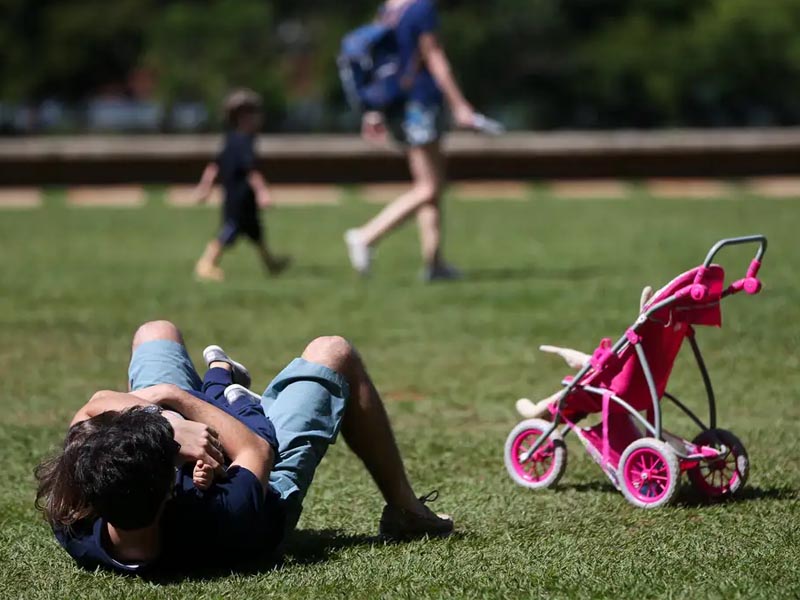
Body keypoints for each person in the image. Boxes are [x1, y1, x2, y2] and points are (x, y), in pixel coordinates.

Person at [35, 320, 452, 574]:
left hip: (163, 463)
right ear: (169, 488)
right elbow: (255, 449)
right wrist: (174, 400)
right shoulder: (225, 516)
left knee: (155, 332)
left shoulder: (74, 516)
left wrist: (166, 422)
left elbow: (92, 407)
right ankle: (407, 512)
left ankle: (216, 388)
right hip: (262, 477)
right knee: (334, 351)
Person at [344, 0, 478, 281]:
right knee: (429, 187)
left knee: (429, 185)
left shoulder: (389, 8)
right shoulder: (422, 8)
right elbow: (434, 56)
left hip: (398, 105)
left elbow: (377, 63)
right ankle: (366, 236)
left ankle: (434, 263)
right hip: (421, 103)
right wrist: (459, 104)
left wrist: (373, 111)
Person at [193, 89, 290, 282]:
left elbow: (214, 166)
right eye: (254, 115)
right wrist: (263, 192)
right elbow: (251, 171)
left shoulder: (231, 139)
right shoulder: (244, 142)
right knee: (230, 230)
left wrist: (205, 187)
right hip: (240, 196)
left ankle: (271, 264)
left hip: (238, 195)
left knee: (256, 231)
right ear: (243, 118)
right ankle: (205, 263)